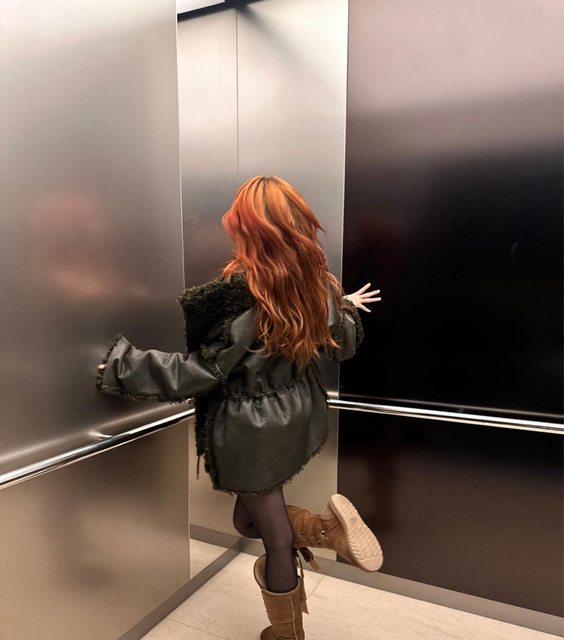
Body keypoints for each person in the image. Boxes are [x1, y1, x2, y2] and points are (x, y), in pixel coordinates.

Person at [96, 175, 383, 640]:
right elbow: (340, 345)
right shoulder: (313, 282)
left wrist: (124, 366)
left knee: (275, 538)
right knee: (246, 520)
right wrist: (342, 305)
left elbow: (203, 370)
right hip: (294, 414)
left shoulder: (245, 291)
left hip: (252, 428)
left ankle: (288, 631)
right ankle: (323, 530)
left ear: (250, 227)